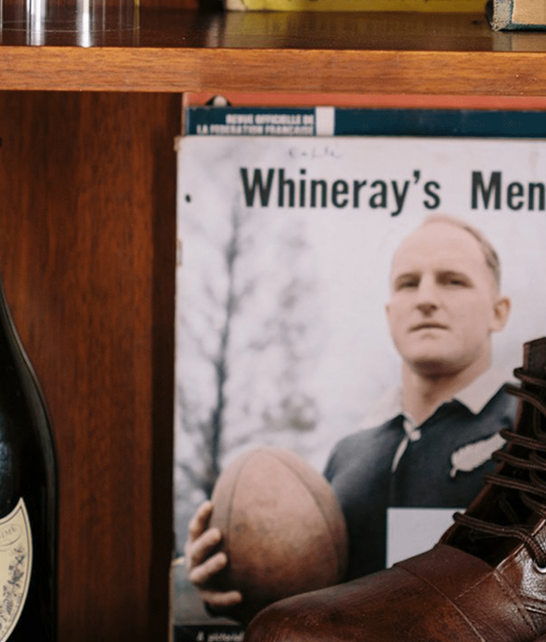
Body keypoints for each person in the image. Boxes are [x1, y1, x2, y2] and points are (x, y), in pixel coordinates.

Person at [185, 215, 515, 618]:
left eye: (453, 280)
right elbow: (309, 595)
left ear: (499, 312)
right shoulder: (350, 452)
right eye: (408, 283)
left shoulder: (535, 431)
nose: (426, 298)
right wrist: (231, 577)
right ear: (390, 311)